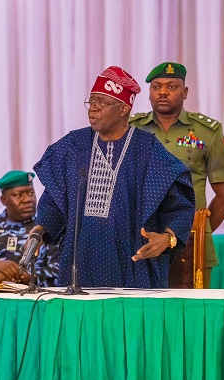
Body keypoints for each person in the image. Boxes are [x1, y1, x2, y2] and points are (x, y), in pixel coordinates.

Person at [29, 66, 195, 289]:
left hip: (132, 261)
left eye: (102, 103)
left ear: (124, 109)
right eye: (91, 101)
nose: (93, 109)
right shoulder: (74, 145)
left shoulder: (147, 148)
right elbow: (55, 198)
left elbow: (179, 205)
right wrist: (39, 230)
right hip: (80, 259)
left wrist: (168, 237)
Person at [129, 62, 224, 288]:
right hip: (140, 238)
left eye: (172, 86)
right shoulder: (131, 128)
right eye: (156, 86)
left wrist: (197, 229)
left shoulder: (207, 131)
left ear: (185, 92)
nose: (163, 92)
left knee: (191, 317)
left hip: (192, 245)